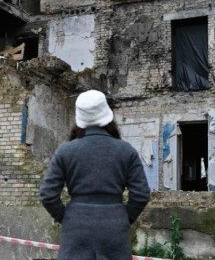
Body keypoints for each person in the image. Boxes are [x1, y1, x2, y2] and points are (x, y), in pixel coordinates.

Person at [39, 90, 150, 260]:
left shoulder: (65, 151)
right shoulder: (127, 151)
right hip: (115, 228)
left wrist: (68, 217)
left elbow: (47, 195)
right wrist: (123, 218)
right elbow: (141, 195)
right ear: (107, 115)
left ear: (79, 119)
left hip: (76, 228)